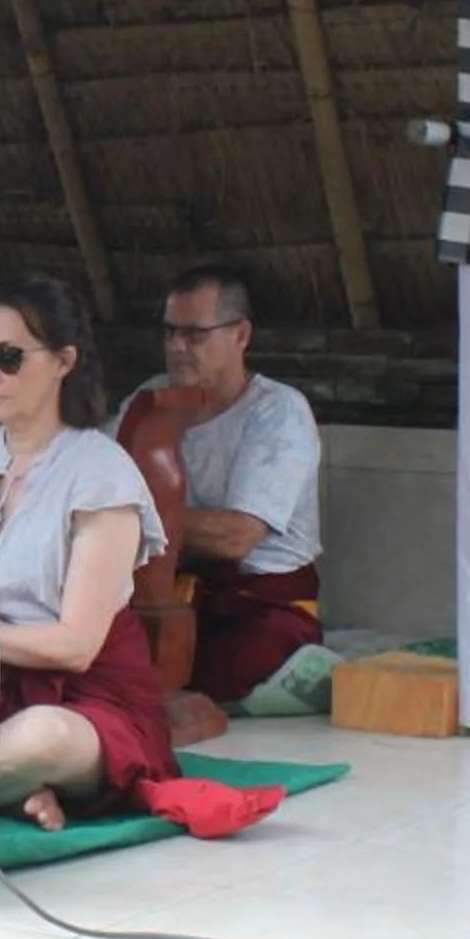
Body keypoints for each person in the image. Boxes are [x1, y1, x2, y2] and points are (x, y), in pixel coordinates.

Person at [0, 277, 281, 840]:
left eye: (10, 357)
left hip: (86, 702)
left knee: (43, 738)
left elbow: (75, 646)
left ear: (64, 361)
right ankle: (6, 788)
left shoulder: (100, 473)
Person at [116, 265, 324, 705]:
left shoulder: (278, 412)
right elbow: (91, 476)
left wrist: (122, 521)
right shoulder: (150, 399)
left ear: (241, 336)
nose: (176, 348)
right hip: (166, 589)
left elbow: (236, 537)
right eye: (170, 332)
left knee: (248, 654)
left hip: (254, 603)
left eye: (194, 335)